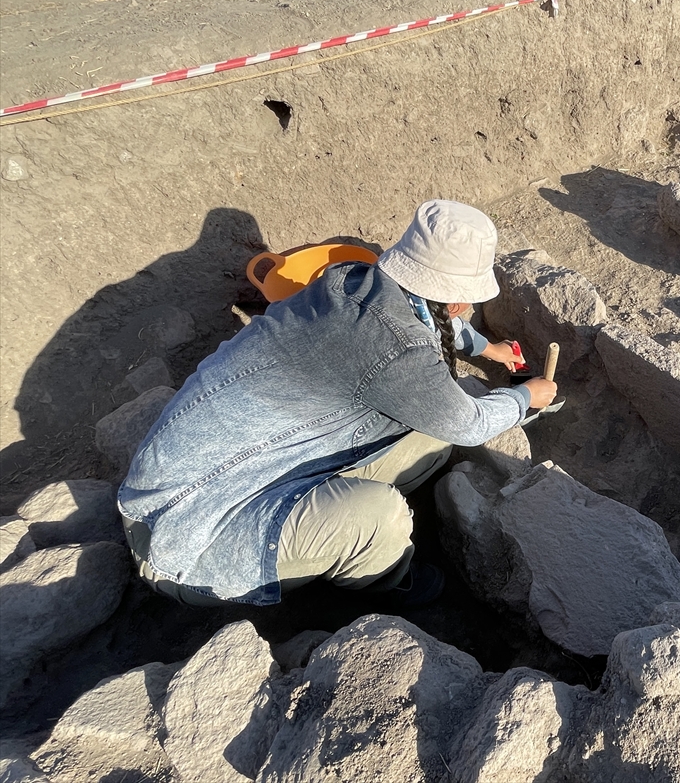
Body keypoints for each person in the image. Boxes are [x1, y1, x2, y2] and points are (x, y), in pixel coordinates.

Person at [116, 200, 556, 607]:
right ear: (459, 297)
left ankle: (342, 534)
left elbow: (436, 320)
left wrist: (489, 349)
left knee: (430, 439)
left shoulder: (353, 280)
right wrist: (525, 397)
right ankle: (382, 578)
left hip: (225, 470)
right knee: (382, 516)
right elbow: (469, 423)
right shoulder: (398, 350)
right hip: (186, 531)